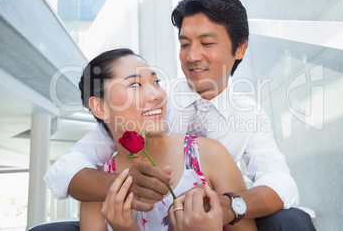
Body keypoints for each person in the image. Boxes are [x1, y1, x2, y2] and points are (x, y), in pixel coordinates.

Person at [43, 0, 315, 230]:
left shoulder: (249, 115)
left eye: (206, 43)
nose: (192, 56)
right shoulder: (153, 103)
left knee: (292, 221)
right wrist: (126, 189)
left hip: (218, 217)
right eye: (185, 44)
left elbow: (281, 181)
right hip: (134, 218)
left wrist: (229, 206)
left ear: (239, 48)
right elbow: (67, 170)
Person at [76, 48, 256, 230]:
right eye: (135, 85)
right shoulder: (97, 190)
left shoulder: (210, 155)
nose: (158, 95)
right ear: (99, 107)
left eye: (156, 82)